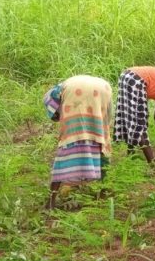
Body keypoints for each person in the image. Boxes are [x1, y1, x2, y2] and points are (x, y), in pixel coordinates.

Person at [43, 75, 113, 209]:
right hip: (104, 89)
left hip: (80, 91)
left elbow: (54, 115)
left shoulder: (53, 94)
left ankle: (50, 202)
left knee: (67, 147)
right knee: (100, 142)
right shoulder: (63, 87)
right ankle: (104, 193)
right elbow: (109, 115)